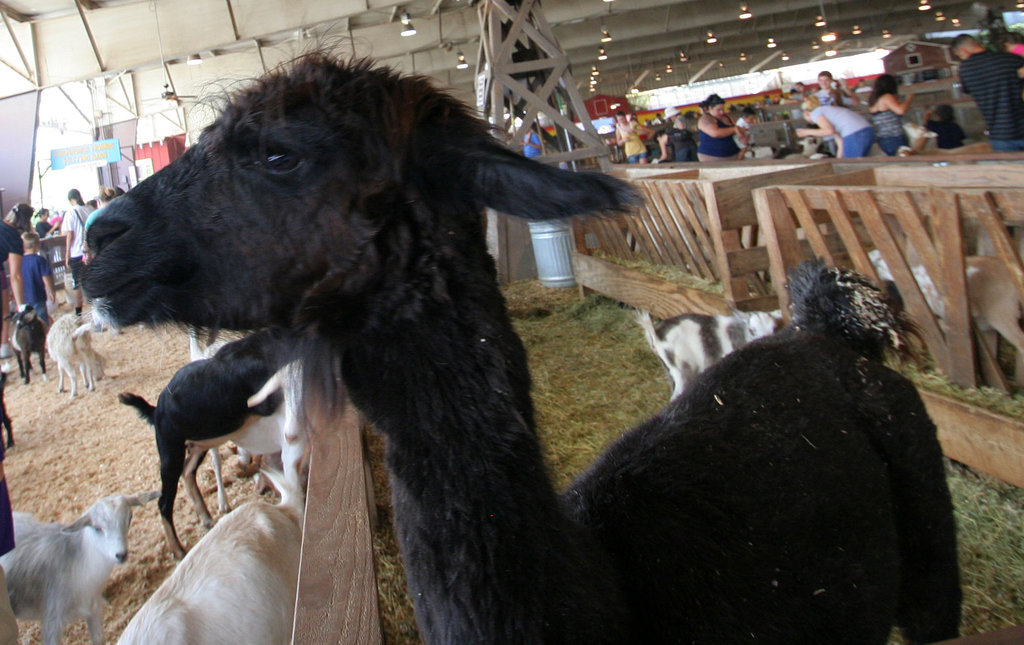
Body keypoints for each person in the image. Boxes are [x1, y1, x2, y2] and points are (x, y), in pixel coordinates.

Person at [951, 33, 1024, 152]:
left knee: (1012, 169)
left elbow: (967, 90)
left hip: (999, 134)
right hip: (1021, 124)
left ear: (963, 50)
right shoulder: (1009, 59)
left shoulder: (965, 70)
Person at [0, 204, 33, 361]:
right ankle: (4, 346)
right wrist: (21, 306)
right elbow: (15, 276)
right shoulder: (12, 236)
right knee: (5, 313)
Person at [796, 94, 875, 158]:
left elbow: (829, 131)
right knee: (857, 164)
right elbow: (840, 142)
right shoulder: (830, 113)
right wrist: (838, 162)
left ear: (806, 113)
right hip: (866, 130)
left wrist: (806, 132)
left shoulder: (815, 113)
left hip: (854, 133)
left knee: (852, 166)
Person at [63, 188, 93, 317]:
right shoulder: (89, 210)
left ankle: (78, 313)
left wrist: (67, 253)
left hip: (77, 252)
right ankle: (96, 311)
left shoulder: (71, 213)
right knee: (92, 279)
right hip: (91, 252)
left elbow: (70, 235)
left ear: (71, 200)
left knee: (77, 283)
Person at [867, 74, 914, 156]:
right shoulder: (887, 97)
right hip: (894, 137)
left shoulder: (874, 99)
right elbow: (900, 111)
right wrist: (909, 99)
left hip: (883, 138)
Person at [20, 232, 56, 326]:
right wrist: (51, 291)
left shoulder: (20, 261)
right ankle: (44, 337)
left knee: (28, 321)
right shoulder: (39, 260)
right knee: (42, 320)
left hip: (24, 297)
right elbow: (46, 277)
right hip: (38, 296)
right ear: (38, 244)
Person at [697, 94, 746, 162]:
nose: (721, 112)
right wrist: (735, 129)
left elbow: (739, 127)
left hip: (734, 154)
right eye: (718, 110)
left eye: (723, 109)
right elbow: (716, 133)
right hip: (712, 156)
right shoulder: (705, 119)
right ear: (710, 108)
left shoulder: (727, 117)